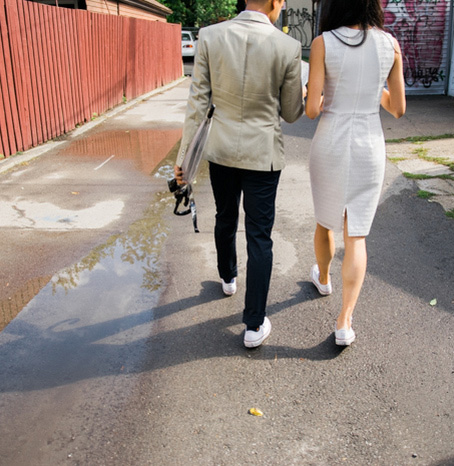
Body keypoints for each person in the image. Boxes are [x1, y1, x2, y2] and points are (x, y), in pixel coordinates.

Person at [174, 0, 304, 348]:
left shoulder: (210, 36)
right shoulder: (288, 47)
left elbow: (197, 104)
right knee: (260, 236)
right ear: (276, 2)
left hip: (221, 151)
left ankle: (227, 277)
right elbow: (291, 113)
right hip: (263, 155)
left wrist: (184, 159)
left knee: (225, 215)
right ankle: (253, 325)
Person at [305, 0, 406, 346]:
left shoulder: (323, 43)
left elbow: (312, 109)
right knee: (356, 233)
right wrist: (370, 89)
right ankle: (345, 321)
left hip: (331, 140)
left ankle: (323, 277)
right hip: (368, 144)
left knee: (325, 220)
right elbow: (399, 108)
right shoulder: (390, 44)